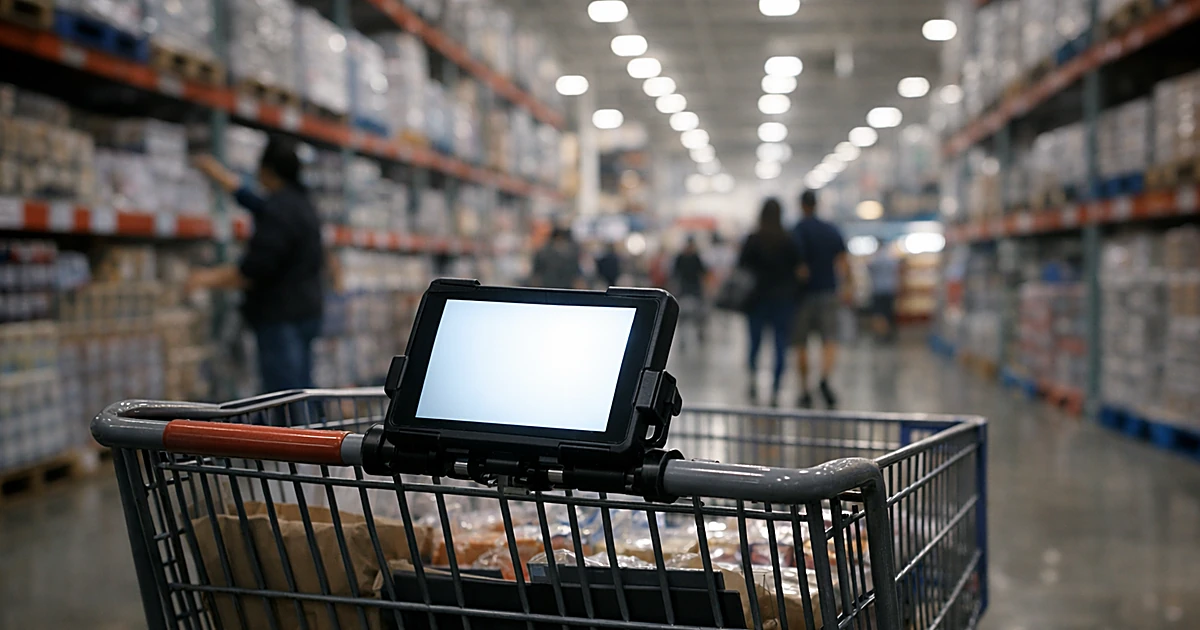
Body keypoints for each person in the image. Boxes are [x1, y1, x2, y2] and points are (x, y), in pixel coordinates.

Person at [187, 138, 324, 394]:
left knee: (284, 397)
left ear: (267, 170)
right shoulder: (301, 203)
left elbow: (252, 271)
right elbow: (258, 205)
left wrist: (204, 279)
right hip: (306, 311)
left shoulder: (278, 212)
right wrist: (219, 176)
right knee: (303, 391)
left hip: (282, 317)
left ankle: (291, 434)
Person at [738, 198, 802, 406]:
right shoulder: (789, 239)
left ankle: (753, 380)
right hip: (783, 300)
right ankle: (775, 389)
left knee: (755, 343)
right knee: (780, 345)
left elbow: (741, 267)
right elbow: (799, 269)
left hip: (756, 300)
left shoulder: (753, 239)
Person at [791, 189, 852, 409]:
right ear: (817, 205)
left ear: (801, 205)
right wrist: (847, 286)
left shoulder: (796, 231)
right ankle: (824, 378)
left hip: (802, 296)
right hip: (828, 292)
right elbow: (844, 261)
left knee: (801, 343)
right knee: (829, 340)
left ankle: (805, 390)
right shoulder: (830, 230)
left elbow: (793, 265)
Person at [672, 236, 709, 345]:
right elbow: (675, 274)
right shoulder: (681, 258)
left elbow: (702, 273)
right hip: (685, 288)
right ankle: (683, 338)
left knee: (698, 314)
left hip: (694, 288)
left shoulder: (695, 257)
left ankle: (699, 333)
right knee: (683, 315)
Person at [867, 248, 901, 341]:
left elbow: (869, 270)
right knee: (888, 313)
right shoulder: (891, 260)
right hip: (889, 290)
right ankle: (887, 334)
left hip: (877, 290)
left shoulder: (874, 260)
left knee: (879, 314)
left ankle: (880, 334)